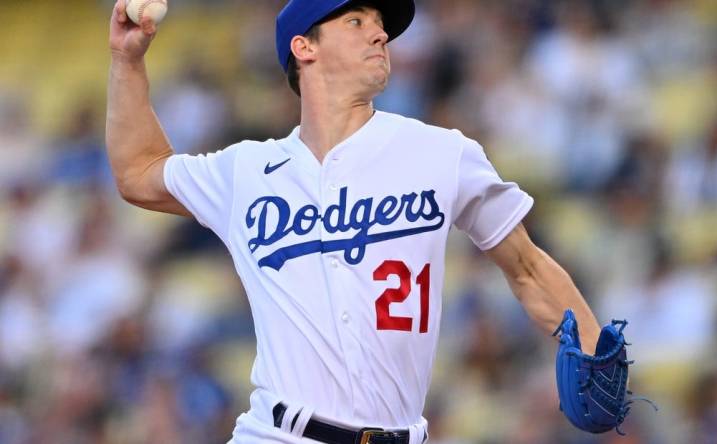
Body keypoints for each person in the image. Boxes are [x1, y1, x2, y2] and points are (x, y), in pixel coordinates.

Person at [106, 0, 602, 442]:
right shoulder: (247, 171)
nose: (380, 33)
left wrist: (594, 348)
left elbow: (527, 267)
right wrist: (127, 62)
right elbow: (139, 172)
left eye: (381, 23)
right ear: (304, 47)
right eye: (357, 20)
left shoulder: (442, 153)